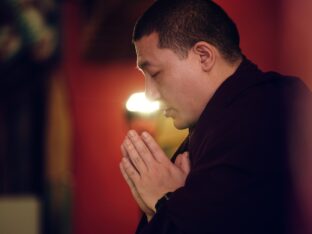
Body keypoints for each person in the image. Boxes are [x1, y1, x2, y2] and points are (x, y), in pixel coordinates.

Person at [119, 0, 311, 233]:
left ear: (203, 56)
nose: (150, 94)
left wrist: (165, 202)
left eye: (155, 73)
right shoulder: (217, 120)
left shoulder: (260, 118)